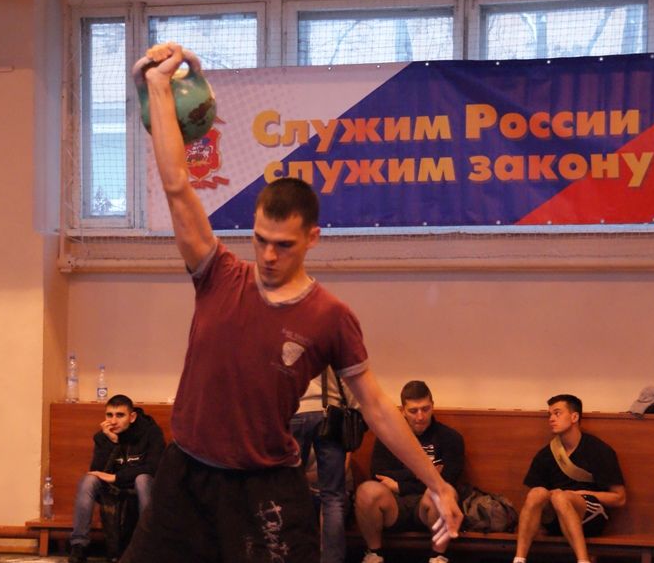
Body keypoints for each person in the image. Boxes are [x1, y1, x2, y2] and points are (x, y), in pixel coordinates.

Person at [121, 42, 462, 563]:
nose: (267, 255)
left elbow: (375, 406)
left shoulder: (329, 316)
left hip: (263, 483)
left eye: (283, 245)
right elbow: (176, 185)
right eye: (260, 240)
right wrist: (159, 86)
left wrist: (438, 484)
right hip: (186, 475)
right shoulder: (218, 275)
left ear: (312, 239)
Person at [354, 381, 465, 563]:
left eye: (425, 409)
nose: (420, 416)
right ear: (403, 411)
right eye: (413, 411)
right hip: (394, 504)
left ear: (433, 406)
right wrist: (426, 473)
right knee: (367, 491)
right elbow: (378, 474)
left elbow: (448, 480)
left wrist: (399, 485)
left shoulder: (450, 438)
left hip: (428, 504)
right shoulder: (388, 436)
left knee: (441, 492)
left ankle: (438, 556)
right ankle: (375, 554)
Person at [512, 394, 626, 563]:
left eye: (557, 413)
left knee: (561, 497)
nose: (551, 419)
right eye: (550, 415)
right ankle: (519, 559)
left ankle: (583, 560)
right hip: (555, 519)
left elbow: (619, 498)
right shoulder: (546, 454)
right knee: (537, 493)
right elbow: (535, 501)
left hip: (590, 517)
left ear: (574, 417)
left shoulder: (599, 450)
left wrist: (581, 493)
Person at [69, 394, 165, 563]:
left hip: (142, 487)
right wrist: (111, 442)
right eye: (109, 415)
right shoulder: (103, 437)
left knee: (142, 479)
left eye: (120, 415)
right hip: (113, 488)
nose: (113, 421)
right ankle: (79, 545)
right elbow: (97, 471)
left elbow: (154, 468)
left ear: (132, 417)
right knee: (88, 480)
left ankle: (148, 544)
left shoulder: (151, 432)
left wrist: (117, 477)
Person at [289, 371, 359, 563]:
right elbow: (346, 378)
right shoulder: (329, 348)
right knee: (333, 497)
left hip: (295, 410)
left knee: (290, 496)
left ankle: (295, 556)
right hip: (330, 413)